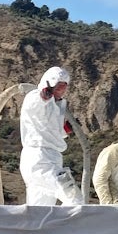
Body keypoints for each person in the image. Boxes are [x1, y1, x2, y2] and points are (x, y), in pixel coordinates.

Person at [19, 66, 83, 205]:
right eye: (59, 86)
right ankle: (77, 226)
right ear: (50, 84)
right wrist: (44, 95)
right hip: (40, 158)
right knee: (74, 199)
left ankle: (35, 227)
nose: (62, 90)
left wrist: (66, 129)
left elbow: (52, 131)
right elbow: (37, 102)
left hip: (50, 158)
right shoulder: (35, 96)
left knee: (41, 211)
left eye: (64, 87)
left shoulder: (56, 106)